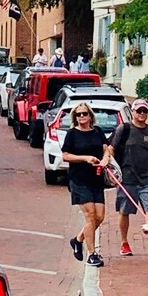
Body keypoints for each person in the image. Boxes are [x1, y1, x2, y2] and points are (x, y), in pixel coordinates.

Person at [108, 99, 148, 256]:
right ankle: (124, 242)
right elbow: (111, 149)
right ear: (132, 112)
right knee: (124, 211)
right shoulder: (124, 129)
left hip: (147, 178)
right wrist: (112, 168)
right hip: (127, 179)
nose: (142, 114)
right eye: (138, 111)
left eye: (144, 111)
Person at [61, 102, 111, 267]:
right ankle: (92, 254)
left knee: (99, 217)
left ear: (90, 116)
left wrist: (105, 159)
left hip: (96, 179)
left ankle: (78, 240)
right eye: (78, 114)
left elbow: (106, 149)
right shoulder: (72, 134)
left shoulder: (97, 131)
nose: (81, 117)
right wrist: (85, 158)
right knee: (90, 216)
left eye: (84, 114)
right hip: (79, 179)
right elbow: (66, 156)